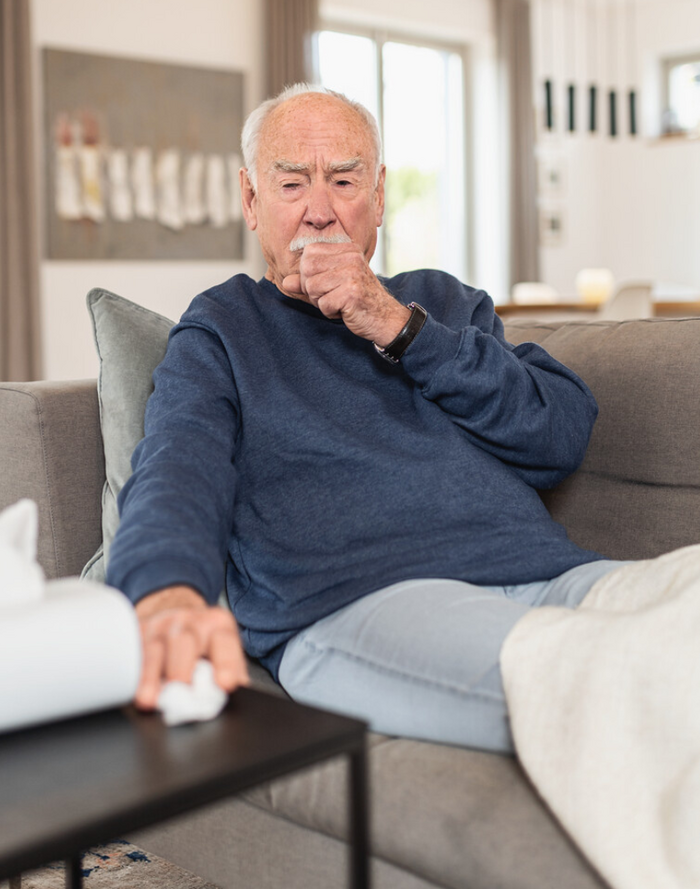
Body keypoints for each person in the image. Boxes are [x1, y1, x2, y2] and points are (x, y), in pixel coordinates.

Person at [106, 84, 628, 754]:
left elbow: (557, 435)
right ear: (251, 200)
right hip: (362, 602)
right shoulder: (225, 327)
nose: (319, 212)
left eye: (344, 180)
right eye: (292, 184)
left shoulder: (441, 303)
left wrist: (396, 326)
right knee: (610, 678)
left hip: (549, 576)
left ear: (378, 197)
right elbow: (180, 463)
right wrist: (167, 591)